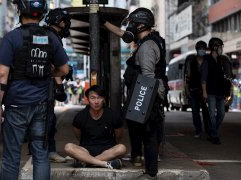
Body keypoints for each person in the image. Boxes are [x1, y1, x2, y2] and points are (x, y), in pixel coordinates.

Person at [0, 0, 69, 179]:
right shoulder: (50, 37)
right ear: (42, 13)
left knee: (12, 156)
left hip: (16, 105)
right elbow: (64, 69)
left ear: (20, 11)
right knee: (41, 155)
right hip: (42, 105)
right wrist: (48, 74)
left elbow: (2, 74)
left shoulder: (12, 37)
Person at [116, 8, 167, 179]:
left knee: (149, 134)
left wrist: (142, 104)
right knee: (146, 131)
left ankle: (151, 173)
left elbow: (148, 76)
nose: (130, 26)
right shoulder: (153, 40)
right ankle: (146, 165)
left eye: (132, 23)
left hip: (148, 93)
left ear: (140, 25)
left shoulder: (146, 47)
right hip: (150, 93)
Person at [64, 85, 126, 169]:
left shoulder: (112, 115)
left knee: (122, 148)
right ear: (88, 99)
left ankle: (86, 162)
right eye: (92, 98)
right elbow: (78, 135)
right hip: (86, 150)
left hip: (107, 150)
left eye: (99, 98)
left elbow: (118, 135)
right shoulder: (81, 116)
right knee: (68, 147)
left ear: (104, 99)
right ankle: (105, 164)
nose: (96, 101)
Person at [44, 7, 71, 163]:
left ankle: (44, 151)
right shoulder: (53, 37)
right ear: (60, 22)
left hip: (33, 86)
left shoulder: (44, 34)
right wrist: (59, 86)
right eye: (65, 23)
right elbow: (56, 65)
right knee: (48, 121)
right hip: (45, 87)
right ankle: (48, 152)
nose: (66, 26)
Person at [201, 37, 227, 145]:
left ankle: (212, 132)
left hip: (220, 92)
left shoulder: (221, 60)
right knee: (211, 114)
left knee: (221, 114)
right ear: (215, 47)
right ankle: (215, 136)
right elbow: (203, 78)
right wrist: (204, 92)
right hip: (211, 92)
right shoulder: (207, 61)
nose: (221, 49)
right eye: (220, 47)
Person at [184, 41, 211, 139]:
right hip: (194, 90)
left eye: (203, 48)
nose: (202, 50)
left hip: (206, 91)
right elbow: (187, 76)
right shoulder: (191, 61)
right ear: (197, 49)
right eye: (200, 48)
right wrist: (186, 90)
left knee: (206, 112)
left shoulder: (208, 60)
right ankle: (198, 130)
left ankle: (209, 131)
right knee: (195, 112)